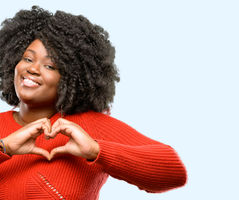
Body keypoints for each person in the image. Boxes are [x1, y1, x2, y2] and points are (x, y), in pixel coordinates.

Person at [0, 6, 187, 199]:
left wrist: (96, 151)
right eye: (28, 58)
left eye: (49, 66)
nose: (32, 69)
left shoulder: (88, 127)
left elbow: (174, 172)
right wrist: (4, 147)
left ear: (71, 79)